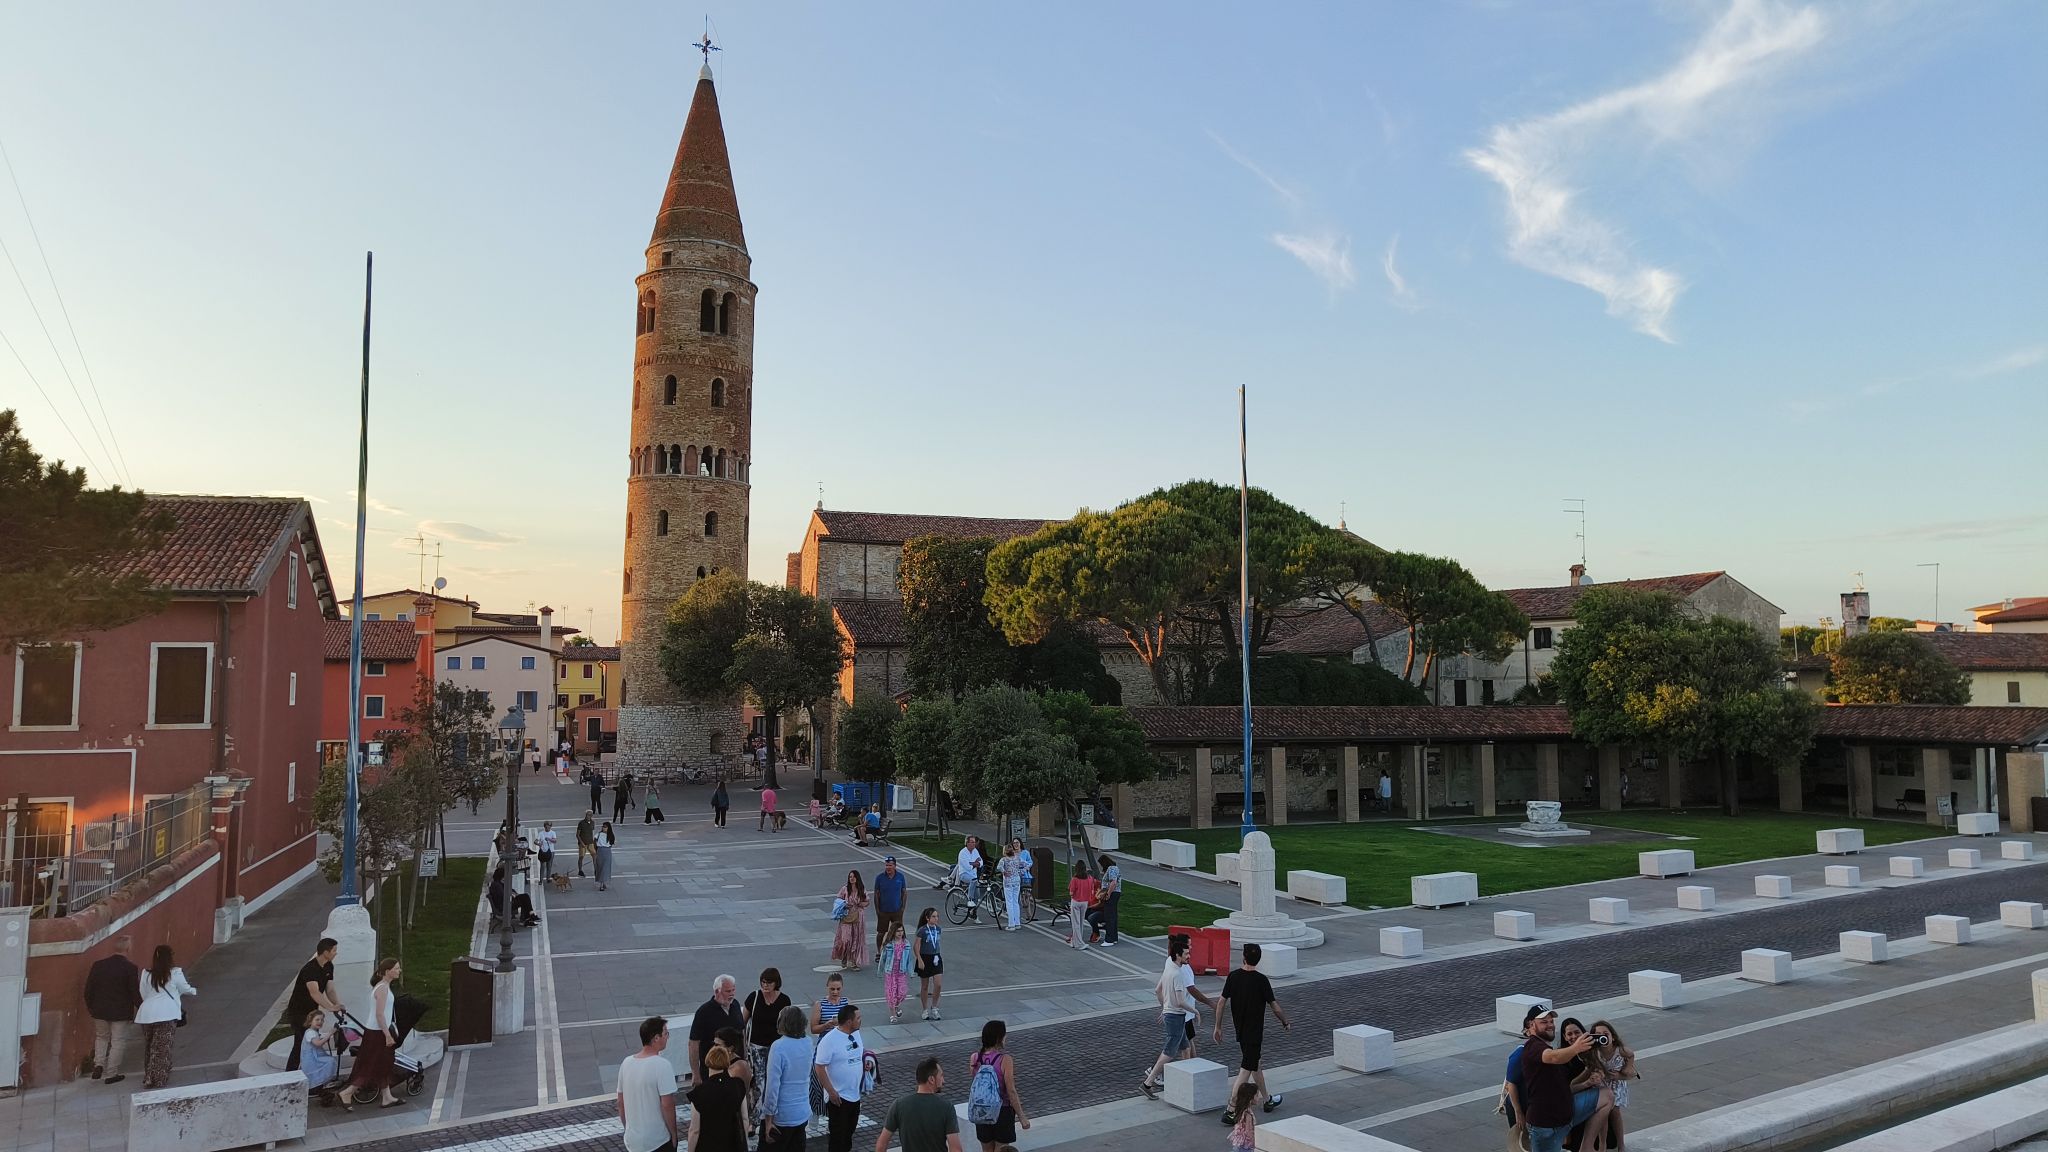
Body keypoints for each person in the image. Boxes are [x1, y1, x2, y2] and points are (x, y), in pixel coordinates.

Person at [1215, 942, 1290, 1125]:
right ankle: (1231, 1110)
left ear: (1244, 957)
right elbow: (1275, 1007)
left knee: (1256, 1064)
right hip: (1254, 1034)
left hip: (1240, 1031)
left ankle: (1267, 1100)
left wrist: (1217, 1026)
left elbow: (1221, 1002)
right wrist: (1285, 1021)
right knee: (1244, 1071)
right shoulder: (1261, 980)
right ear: (1259, 959)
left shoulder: (1233, 977)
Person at [1138, 935, 1213, 1100]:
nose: (1189, 956)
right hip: (1177, 1016)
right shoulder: (1178, 974)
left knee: (1185, 1048)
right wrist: (1196, 1011)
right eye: (1186, 953)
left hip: (1172, 1014)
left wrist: (1164, 1008)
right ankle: (1148, 1082)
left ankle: (1187, 1082)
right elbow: (1180, 1001)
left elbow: (1158, 990)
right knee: (1169, 1052)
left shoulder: (1169, 967)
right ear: (1178, 955)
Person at [1517, 1006, 1596, 1152]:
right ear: (1531, 1025)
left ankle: (1587, 1146)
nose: (1550, 1025)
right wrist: (1576, 1048)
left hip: (1563, 1118)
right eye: (1544, 1022)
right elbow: (1552, 1057)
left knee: (1606, 1096)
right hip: (1545, 1126)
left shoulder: (1545, 1046)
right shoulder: (1533, 1046)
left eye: (1551, 1021)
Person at [347, 958, 406, 1108]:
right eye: (397, 968)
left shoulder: (382, 986)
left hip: (376, 1031)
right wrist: (387, 1035)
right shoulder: (382, 989)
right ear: (388, 971)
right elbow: (380, 1014)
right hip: (378, 1032)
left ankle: (387, 1097)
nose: (399, 971)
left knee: (382, 1063)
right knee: (372, 1064)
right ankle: (348, 1092)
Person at [136, 943, 195, 1089]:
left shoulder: (146, 973)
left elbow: (143, 993)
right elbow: (184, 988)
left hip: (146, 1013)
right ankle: (159, 1079)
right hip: (167, 1014)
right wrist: (194, 991)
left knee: (150, 1046)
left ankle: (149, 1076)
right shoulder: (175, 973)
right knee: (162, 1048)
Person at [84, 935, 141, 1083]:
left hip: (99, 1010)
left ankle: (99, 1064)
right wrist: (141, 1008)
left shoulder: (98, 965)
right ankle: (111, 1073)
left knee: (101, 1037)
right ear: (128, 948)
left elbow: (89, 989)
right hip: (120, 1012)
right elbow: (134, 992)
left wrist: (91, 1007)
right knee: (117, 1041)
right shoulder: (130, 968)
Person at [876, 1055, 963, 1152]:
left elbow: (881, 1145)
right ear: (931, 1079)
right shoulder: (946, 1107)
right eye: (941, 1076)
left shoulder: (899, 1105)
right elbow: (956, 1149)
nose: (944, 1081)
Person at [618, 1016, 679, 1152]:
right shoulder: (662, 1065)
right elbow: (667, 1104)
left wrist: (628, 1128)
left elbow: (620, 1102)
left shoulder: (626, 1063)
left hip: (633, 1141)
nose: (667, 1037)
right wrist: (674, 1134)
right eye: (665, 1033)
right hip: (657, 1140)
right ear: (656, 1038)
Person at [283, 937, 342, 1074]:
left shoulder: (328, 966)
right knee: (301, 1044)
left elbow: (330, 989)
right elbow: (315, 993)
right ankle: (290, 1075)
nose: (335, 953)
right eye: (334, 950)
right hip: (298, 1012)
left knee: (305, 1043)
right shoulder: (310, 969)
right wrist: (330, 1007)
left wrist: (337, 1004)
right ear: (325, 952)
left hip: (311, 1012)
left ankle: (307, 1074)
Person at [966, 1020, 1028, 1152]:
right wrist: (1021, 1116)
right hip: (1002, 1111)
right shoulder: (1005, 1059)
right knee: (1002, 1149)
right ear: (999, 1038)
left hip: (981, 1111)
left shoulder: (974, 1057)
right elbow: (1010, 1091)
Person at [812, 1002, 866, 1152]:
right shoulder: (829, 1040)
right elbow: (819, 1066)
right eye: (858, 1018)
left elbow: (857, 1053)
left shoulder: (856, 1033)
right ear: (849, 1022)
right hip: (839, 1097)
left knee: (848, 1135)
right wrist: (831, 1091)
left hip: (855, 1095)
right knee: (838, 1138)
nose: (861, 1020)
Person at [760, 1005, 813, 1151]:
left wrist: (768, 1118)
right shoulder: (808, 1042)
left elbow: (772, 1085)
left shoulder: (778, 1047)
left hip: (782, 1115)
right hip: (802, 1111)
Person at [742, 968, 791, 1122]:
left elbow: (787, 1025)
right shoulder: (754, 997)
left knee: (775, 1081)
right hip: (756, 1047)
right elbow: (742, 1022)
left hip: (776, 1048)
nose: (765, 985)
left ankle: (771, 1114)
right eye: (763, 982)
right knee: (758, 1083)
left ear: (776, 983)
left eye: (768, 982)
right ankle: (754, 1120)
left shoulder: (784, 1000)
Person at [1579, 1019, 1634, 1152]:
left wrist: (1625, 1070)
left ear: (1613, 1036)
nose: (1603, 1037)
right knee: (1602, 1114)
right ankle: (1602, 1144)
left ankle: (1621, 1144)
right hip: (1602, 1084)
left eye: (1605, 1034)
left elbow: (1631, 1057)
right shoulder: (1595, 1052)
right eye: (1598, 1035)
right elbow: (1589, 1064)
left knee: (1615, 1112)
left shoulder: (1620, 1050)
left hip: (1616, 1084)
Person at [687, 1044, 750, 1152]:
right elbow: (744, 1119)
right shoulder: (737, 1085)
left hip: (707, 1146)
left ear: (708, 1061)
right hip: (732, 1145)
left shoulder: (699, 1093)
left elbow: (694, 1130)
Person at [689, 975, 746, 1085]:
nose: (732, 994)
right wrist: (695, 1073)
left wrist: (744, 1058)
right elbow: (693, 1043)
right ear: (717, 991)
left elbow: (741, 1032)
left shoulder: (735, 1005)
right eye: (728, 991)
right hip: (713, 1070)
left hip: (736, 1067)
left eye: (733, 990)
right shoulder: (704, 1012)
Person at [833, 871, 871, 970]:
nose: (852, 878)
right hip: (846, 916)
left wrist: (862, 904)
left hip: (858, 917)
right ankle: (844, 957)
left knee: (856, 939)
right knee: (846, 939)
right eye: (850, 877)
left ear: (857, 878)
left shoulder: (861, 889)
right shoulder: (845, 889)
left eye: (854, 877)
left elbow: (867, 901)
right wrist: (844, 905)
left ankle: (854, 962)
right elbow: (838, 900)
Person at [877, 922, 914, 1024]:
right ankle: (892, 1014)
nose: (900, 933)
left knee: (902, 992)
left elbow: (909, 959)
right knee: (891, 993)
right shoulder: (889, 944)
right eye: (898, 931)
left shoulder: (906, 944)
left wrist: (911, 972)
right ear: (893, 932)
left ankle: (897, 1006)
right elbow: (883, 958)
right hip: (891, 972)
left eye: (901, 931)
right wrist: (880, 971)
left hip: (901, 972)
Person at [873, 857, 907, 957]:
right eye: (887, 865)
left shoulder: (900, 877)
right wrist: (877, 910)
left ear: (895, 866)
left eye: (890, 865)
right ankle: (879, 952)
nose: (888, 867)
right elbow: (876, 894)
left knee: (899, 931)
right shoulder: (880, 878)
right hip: (883, 910)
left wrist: (903, 908)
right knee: (881, 932)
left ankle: (900, 950)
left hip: (897, 910)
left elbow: (904, 892)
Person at [914, 907, 944, 1021]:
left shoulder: (938, 929)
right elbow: (916, 946)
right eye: (934, 916)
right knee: (925, 986)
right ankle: (925, 1009)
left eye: (937, 916)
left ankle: (935, 1007)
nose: (936, 919)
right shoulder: (922, 930)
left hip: (936, 957)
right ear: (927, 918)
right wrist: (920, 959)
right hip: (925, 958)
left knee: (938, 984)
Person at [1087, 855, 1121, 947]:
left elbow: (1113, 882)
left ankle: (1109, 939)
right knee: (1112, 916)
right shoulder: (1114, 868)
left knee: (1109, 917)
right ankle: (1114, 938)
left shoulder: (1111, 868)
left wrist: (1108, 894)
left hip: (1112, 894)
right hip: (1115, 893)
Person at [952, 837, 986, 919]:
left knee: (977, 895)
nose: (974, 844)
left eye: (974, 842)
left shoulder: (975, 851)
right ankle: (970, 900)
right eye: (972, 842)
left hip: (973, 875)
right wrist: (975, 863)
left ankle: (972, 912)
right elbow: (967, 866)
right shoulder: (962, 853)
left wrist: (974, 863)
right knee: (973, 881)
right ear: (967, 843)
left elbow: (980, 861)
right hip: (964, 874)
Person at [1066, 861, 1097, 949]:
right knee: (1080, 922)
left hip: (1076, 902)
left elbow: (1071, 893)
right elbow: (1091, 890)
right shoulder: (1090, 878)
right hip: (1085, 902)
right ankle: (1075, 941)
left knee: (1075, 923)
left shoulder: (1074, 879)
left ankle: (1078, 943)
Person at [997, 842, 1024, 932]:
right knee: (1016, 902)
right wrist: (1021, 872)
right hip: (1017, 881)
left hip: (1008, 882)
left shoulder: (1004, 860)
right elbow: (1025, 865)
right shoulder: (1017, 858)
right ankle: (1017, 923)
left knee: (1009, 902)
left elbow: (999, 867)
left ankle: (1011, 924)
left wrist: (1004, 871)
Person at [1226, 1080, 1258, 1152]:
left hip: (1239, 1142)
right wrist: (1255, 1144)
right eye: (1256, 1095)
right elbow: (1249, 1131)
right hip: (1246, 1145)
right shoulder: (1248, 1114)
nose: (1258, 1097)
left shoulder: (1241, 1110)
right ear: (1250, 1098)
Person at [596, 821, 617, 890]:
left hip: (607, 851)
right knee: (600, 867)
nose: (603, 828)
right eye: (603, 826)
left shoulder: (610, 835)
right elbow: (594, 841)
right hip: (600, 850)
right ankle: (602, 883)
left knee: (605, 868)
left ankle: (603, 883)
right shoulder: (599, 834)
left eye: (605, 827)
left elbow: (612, 843)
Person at [577, 812, 598, 876]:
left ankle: (596, 870)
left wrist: (594, 843)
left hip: (590, 842)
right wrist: (581, 843)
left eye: (589, 815)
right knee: (581, 857)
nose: (587, 816)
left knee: (594, 856)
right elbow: (577, 834)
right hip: (583, 843)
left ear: (591, 816)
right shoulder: (581, 823)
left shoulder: (592, 823)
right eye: (587, 815)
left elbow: (592, 832)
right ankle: (580, 870)